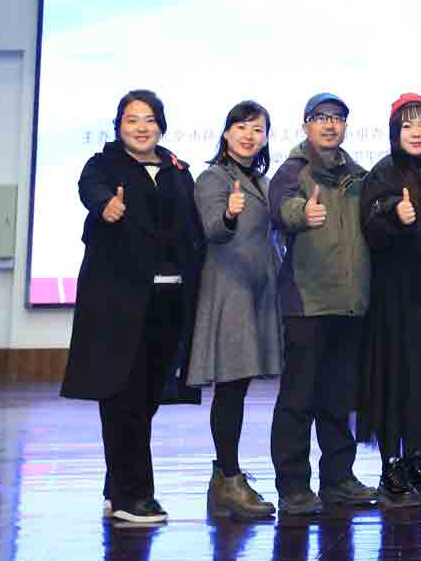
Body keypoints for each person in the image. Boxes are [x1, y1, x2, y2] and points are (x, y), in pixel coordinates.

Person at [61, 89, 204, 524]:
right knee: (122, 398)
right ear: (118, 126)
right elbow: (89, 189)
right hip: (118, 304)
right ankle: (133, 496)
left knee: (146, 400)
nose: (141, 127)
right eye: (132, 120)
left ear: (161, 125)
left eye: (149, 119)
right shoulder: (104, 165)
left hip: (168, 301)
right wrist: (104, 205)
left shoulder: (178, 170)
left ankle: (117, 486)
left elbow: (193, 229)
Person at [268, 93, 377, 515]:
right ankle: (293, 486)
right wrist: (301, 215)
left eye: (337, 118)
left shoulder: (359, 175)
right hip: (307, 303)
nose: (330, 125)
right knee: (298, 399)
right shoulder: (292, 171)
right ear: (306, 125)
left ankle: (338, 479)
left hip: (349, 306)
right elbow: (283, 208)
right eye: (321, 117)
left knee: (339, 399)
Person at [359, 94, 421, 509]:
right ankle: (390, 466)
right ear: (394, 132)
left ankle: (415, 459)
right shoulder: (384, 172)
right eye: (407, 126)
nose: (416, 134)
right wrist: (395, 217)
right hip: (393, 295)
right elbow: (370, 226)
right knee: (394, 376)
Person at [188, 100, 283, 520]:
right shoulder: (212, 178)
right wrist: (228, 214)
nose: (249, 135)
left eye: (257, 129)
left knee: (237, 387)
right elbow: (213, 228)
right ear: (226, 133)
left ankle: (225, 480)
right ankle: (228, 477)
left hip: (258, 290)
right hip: (229, 291)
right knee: (230, 386)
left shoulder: (261, 180)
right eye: (241, 127)